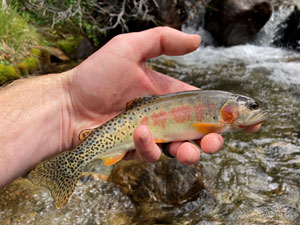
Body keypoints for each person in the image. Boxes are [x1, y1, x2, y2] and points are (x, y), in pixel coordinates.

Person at [0, 27, 260, 188]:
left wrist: (67, 102)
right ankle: (69, 165)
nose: (254, 111)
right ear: (230, 108)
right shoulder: (216, 116)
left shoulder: (217, 111)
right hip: (126, 127)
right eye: (251, 106)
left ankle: (67, 166)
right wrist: (68, 99)